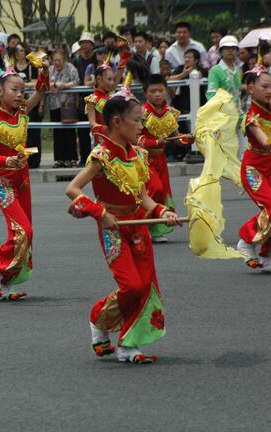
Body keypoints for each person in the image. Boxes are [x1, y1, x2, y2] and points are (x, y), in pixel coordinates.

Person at [65, 91, 182, 364]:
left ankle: (129, 345)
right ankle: (98, 319)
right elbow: (73, 189)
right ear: (117, 122)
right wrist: (100, 213)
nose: (142, 127)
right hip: (112, 228)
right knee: (131, 285)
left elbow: (143, 198)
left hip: (138, 225)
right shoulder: (102, 155)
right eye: (137, 121)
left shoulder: (138, 153)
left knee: (145, 285)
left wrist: (163, 211)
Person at [0, 63, 50, 300]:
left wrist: (45, 70)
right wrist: (6, 160)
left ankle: (6, 283)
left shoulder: (22, 113)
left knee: (23, 235)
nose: (20, 94)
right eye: (14, 89)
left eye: (22, 90)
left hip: (23, 182)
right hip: (4, 183)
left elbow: (41, 90)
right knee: (24, 231)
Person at [137, 74, 193, 242]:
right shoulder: (142, 113)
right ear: (145, 93)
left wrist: (188, 139)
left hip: (161, 160)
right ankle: (141, 226)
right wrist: (155, 142)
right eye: (152, 91)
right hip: (144, 160)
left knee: (163, 192)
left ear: (166, 91)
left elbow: (176, 138)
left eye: (160, 90)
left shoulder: (170, 113)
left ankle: (154, 230)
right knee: (155, 189)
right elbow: (136, 140)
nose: (157, 95)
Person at [235, 66, 271, 273]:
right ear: (251, 88)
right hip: (253, 171)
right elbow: (266, 142)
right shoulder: (251, 117)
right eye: (264, 87)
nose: (269, 91)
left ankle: (267, 256)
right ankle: (246, 238)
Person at [8, 41, 44, 168]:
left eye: (21, 50)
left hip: (31, 103)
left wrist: (21, 84)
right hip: (17, 105)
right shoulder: (12, 67)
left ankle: (34, 160)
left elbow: (36, 83)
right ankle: (24, 159)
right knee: (22, 134)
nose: (18, 53)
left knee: (34, 133)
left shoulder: (32, 66)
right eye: (16, 50)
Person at [49, 47, 80, 168]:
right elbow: (45, 82)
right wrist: (54, 85)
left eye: (59, 60)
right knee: (57, 132)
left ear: (64, 59)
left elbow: (76, 81)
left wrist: (64, 85)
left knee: (70, 131)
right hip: (54, 104)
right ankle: (59, 159)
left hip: (67, 104)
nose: (56, 63)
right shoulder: (50, 70)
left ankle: (72, 158)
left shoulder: (71, 68)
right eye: (54, 60)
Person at [73, 32, 96, 165]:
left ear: (92, 45)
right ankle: (84, 158)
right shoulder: (76, 60)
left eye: (87, 43)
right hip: (82, 99)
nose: (84, 46)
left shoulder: (97, 58)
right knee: (82, 131)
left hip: (97, 98)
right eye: (82, 43)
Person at [86, 61, 116, 143]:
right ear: (99, 79)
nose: (112, 82)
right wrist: (106, 129)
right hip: (100, 139)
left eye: (113, 79)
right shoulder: (91, 100)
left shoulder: (112, 98)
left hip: (115, 137)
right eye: (109, 79)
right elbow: (92, 124)